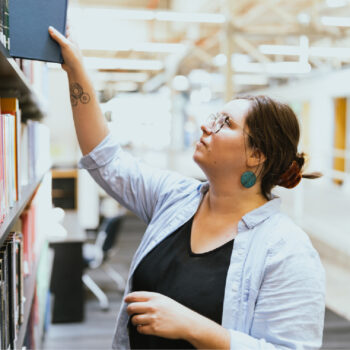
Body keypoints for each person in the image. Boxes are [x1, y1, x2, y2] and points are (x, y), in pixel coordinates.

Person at [48, 25, 326, 350]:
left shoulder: (287, 251)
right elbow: (106, 159)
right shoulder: (175, 197)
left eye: (226, 123)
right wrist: (75, 68)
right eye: (214, 116)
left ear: (256, 155)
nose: (207, 125)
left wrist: (197, 329)